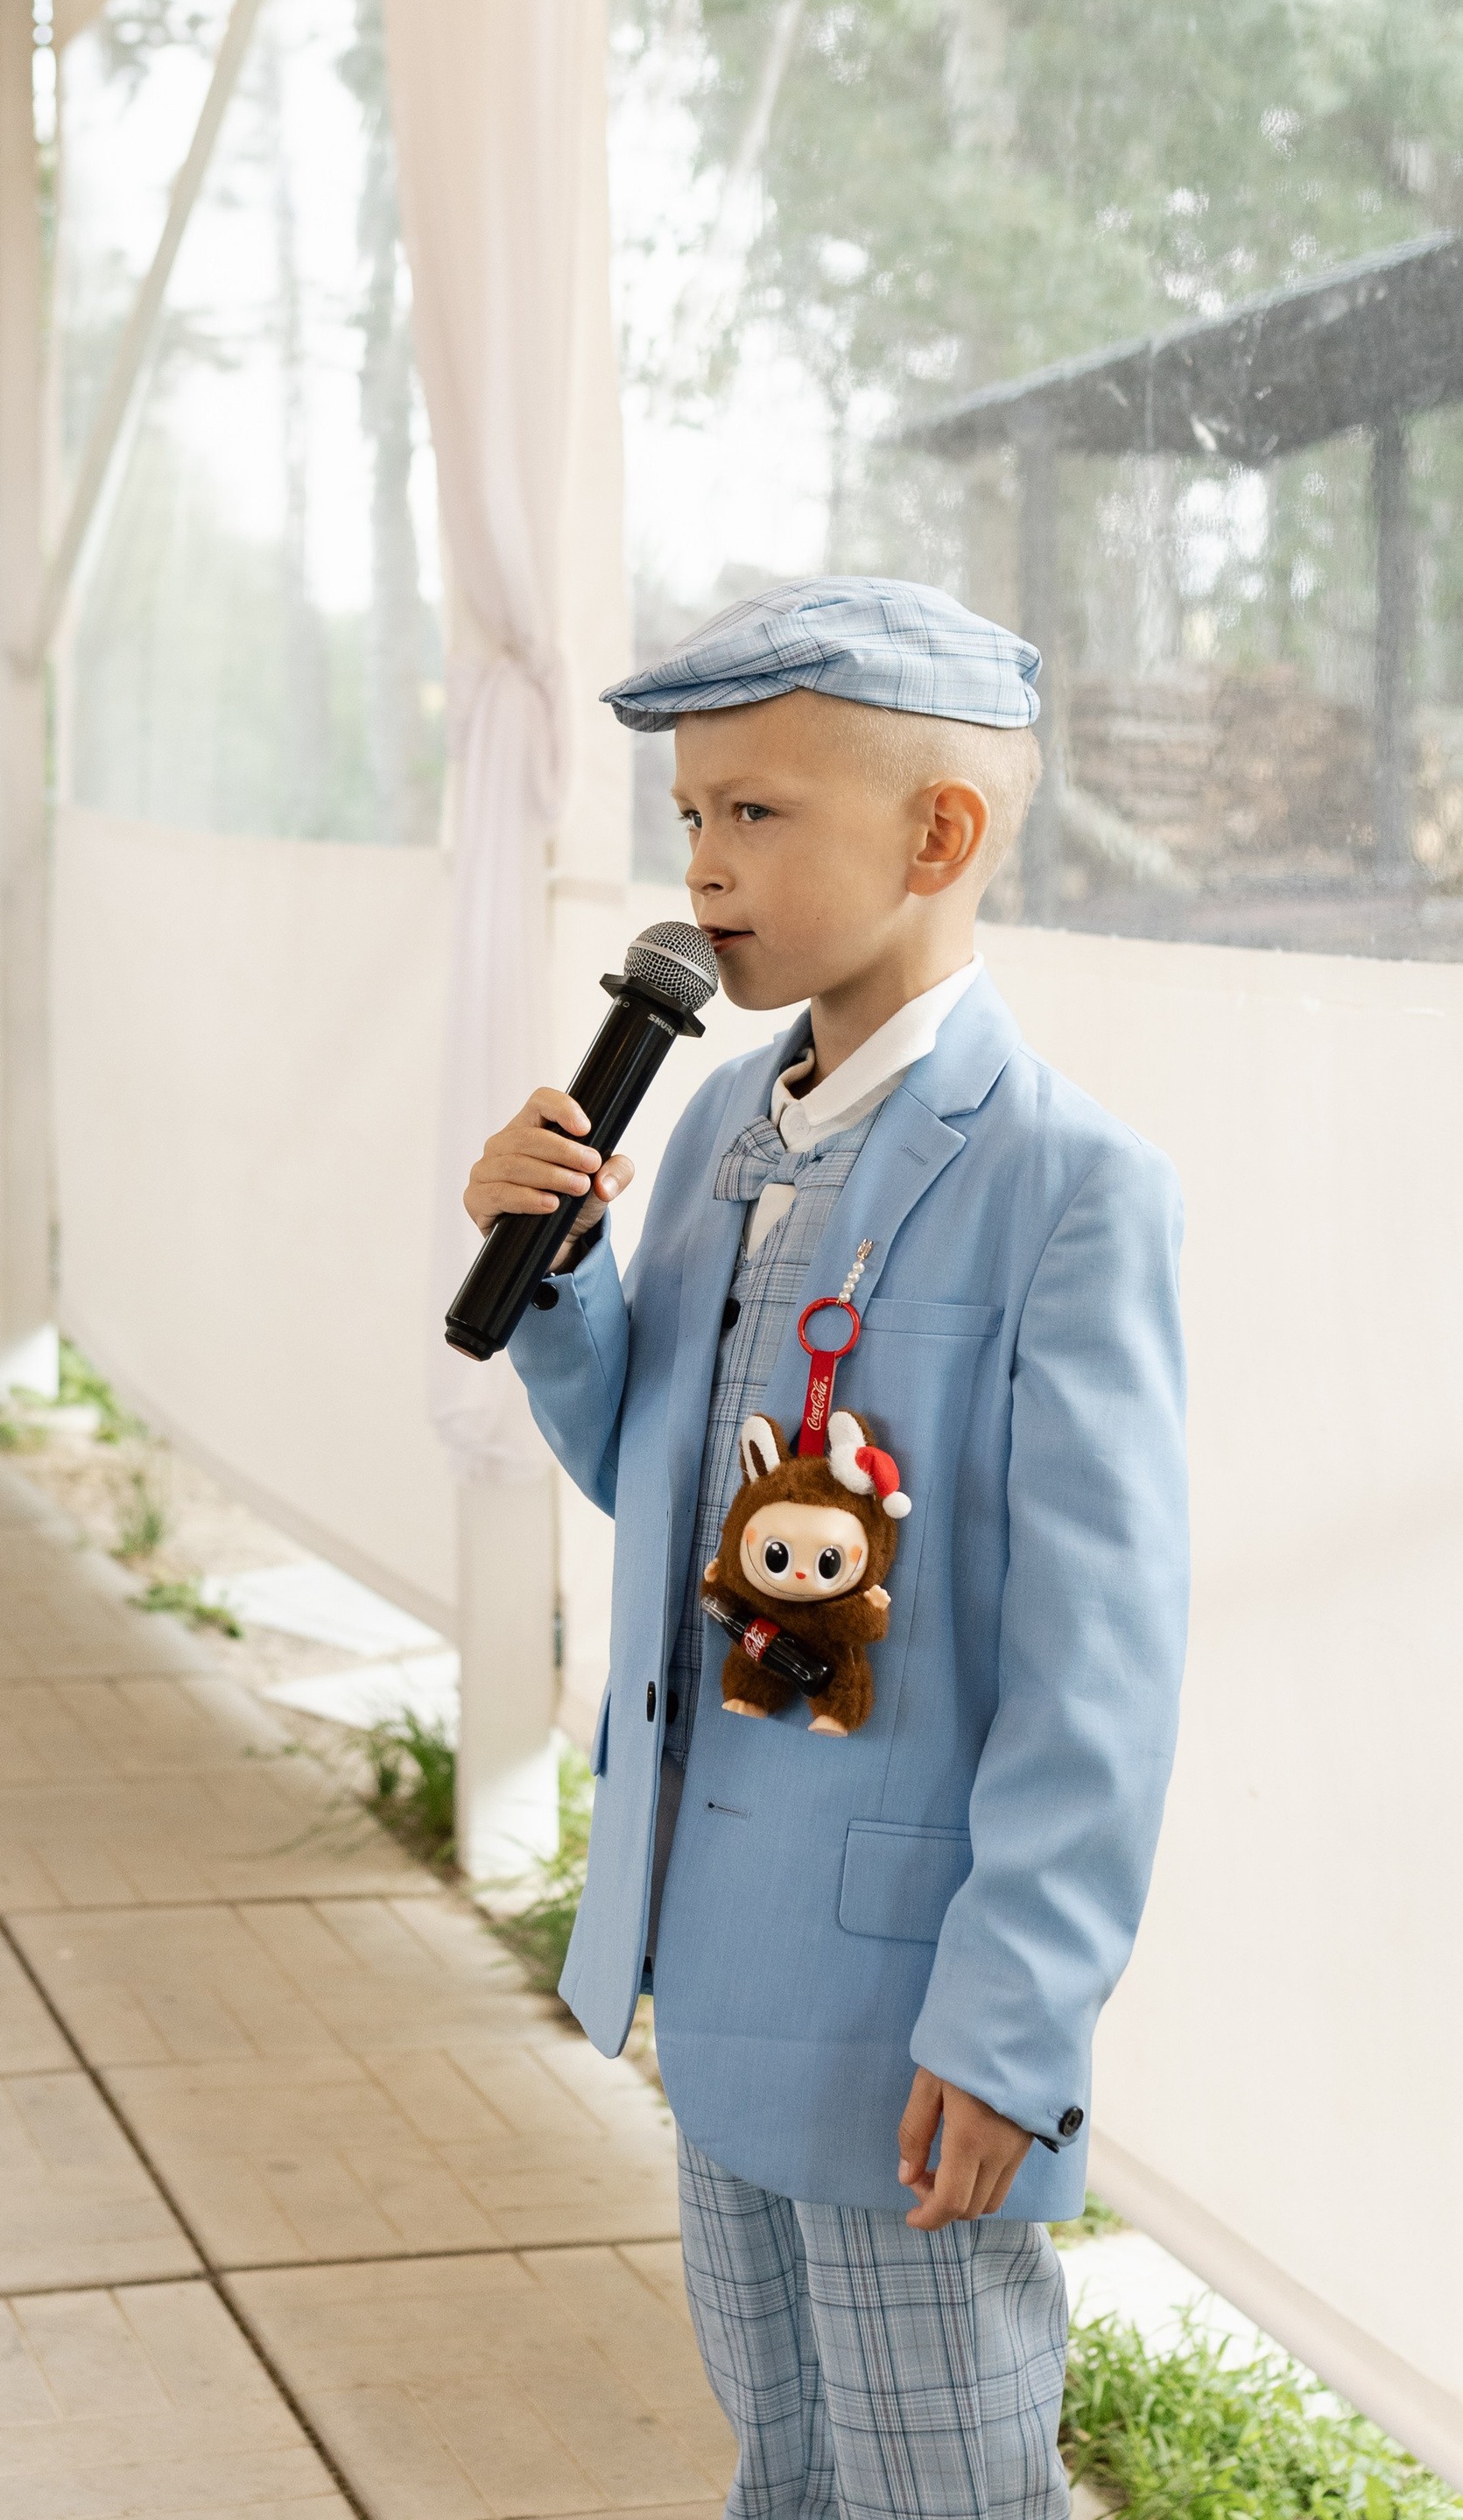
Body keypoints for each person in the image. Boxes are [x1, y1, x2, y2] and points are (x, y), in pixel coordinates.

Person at [463, 578, 1189, 2520]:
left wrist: (1012, 2019)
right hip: (711, 1945)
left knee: (941, 2476)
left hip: (904, 2003)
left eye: (757, 813)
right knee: (783, 2453)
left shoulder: (1068, 1187)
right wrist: (559, 1277)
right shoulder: (717, 1115)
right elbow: (672, 1492)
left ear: (938, 835)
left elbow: (1101, 1668)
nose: (703, 865)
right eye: (690, 816)